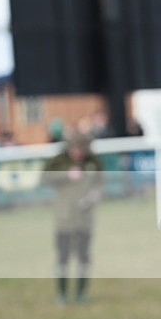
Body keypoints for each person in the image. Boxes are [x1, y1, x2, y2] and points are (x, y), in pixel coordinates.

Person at [41, 130, 104, 304]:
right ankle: (61, 294)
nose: (78, 153)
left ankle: (81, 294)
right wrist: (66, 174)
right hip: (64, 219)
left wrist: (96, 194)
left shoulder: (92, 162)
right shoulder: (60, 161)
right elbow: (44, 177)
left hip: (84, 220)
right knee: (63, 258)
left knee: (84, 257)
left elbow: (100, 182)